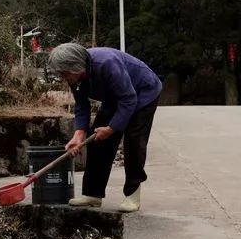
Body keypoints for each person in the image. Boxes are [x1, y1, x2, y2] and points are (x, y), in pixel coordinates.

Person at [48, 43, 162, 212]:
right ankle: (92, 194)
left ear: (76, 66)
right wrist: (79, 134)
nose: (63, 77)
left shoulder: (106, 63)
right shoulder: (75, 76)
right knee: (97, 141)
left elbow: (129, 100)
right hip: (115, 97)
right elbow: (81, 105)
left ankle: (132, 195)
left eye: (64, 73)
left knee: (133, 143)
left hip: (143, 93)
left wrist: (111, 128)